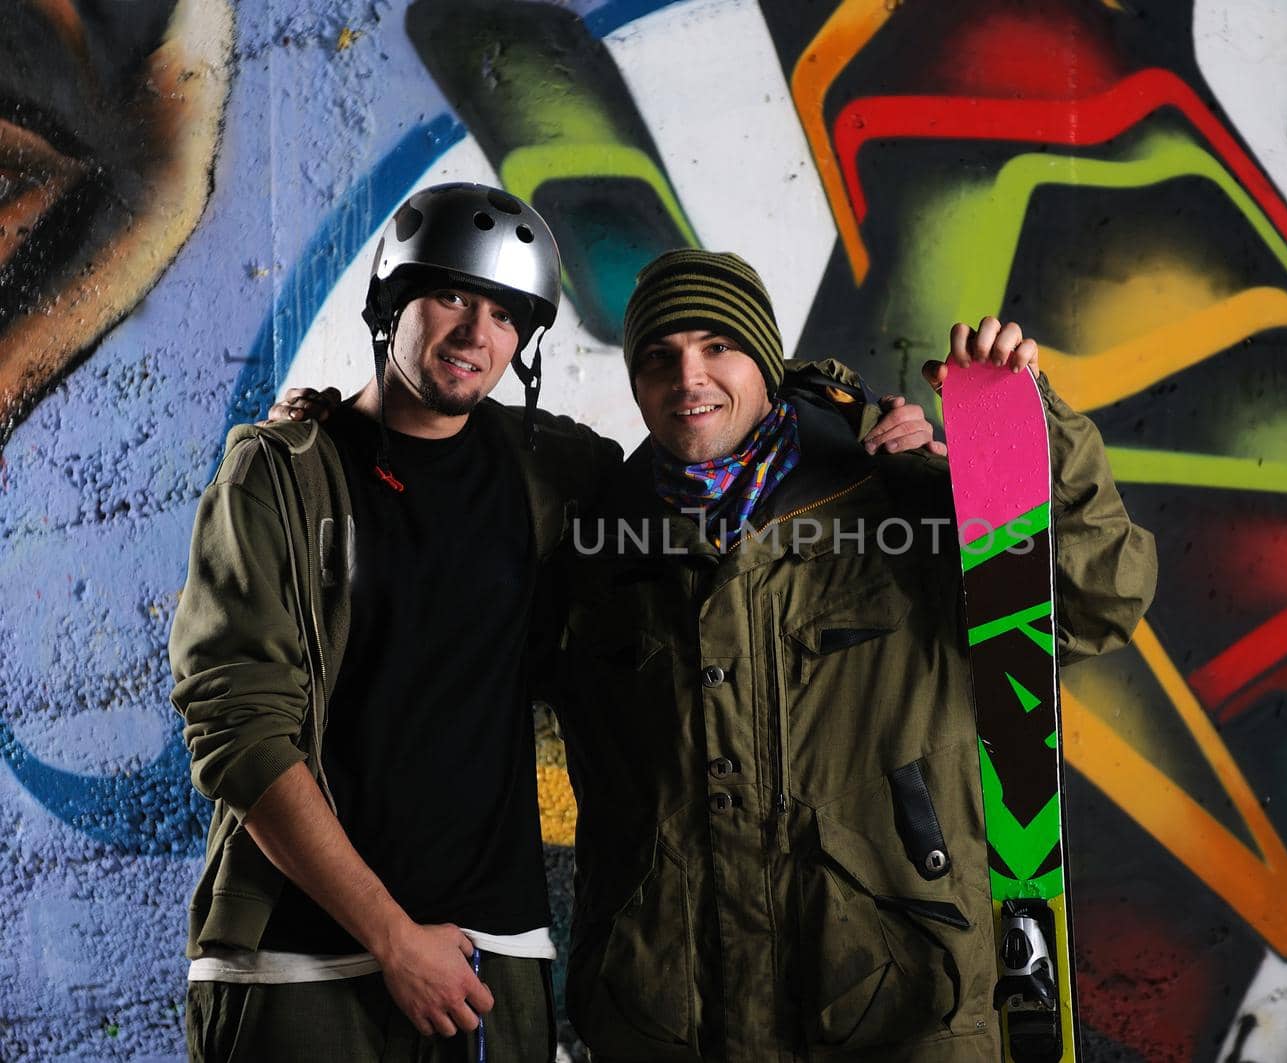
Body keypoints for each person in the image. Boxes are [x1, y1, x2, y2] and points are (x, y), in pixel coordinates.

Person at [170, 185, 934, 1061]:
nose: (474, 333)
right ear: (391, 300)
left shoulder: (560, 475)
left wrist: (857, 416)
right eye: (452, 295)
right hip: (301, 962)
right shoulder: (284, 477)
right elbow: (238, 730)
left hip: (500, 964)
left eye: (504, 314)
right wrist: (391, 935)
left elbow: (721, 439)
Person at [551, 249, 1158, 1062]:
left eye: (717, 346)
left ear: (766, 365)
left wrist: (1032, 428)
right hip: (673, 1023)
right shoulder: (603, 550)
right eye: (659, 357)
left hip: (901, 1012)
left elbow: (1097, 602)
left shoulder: (902, 500)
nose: (687, 376)